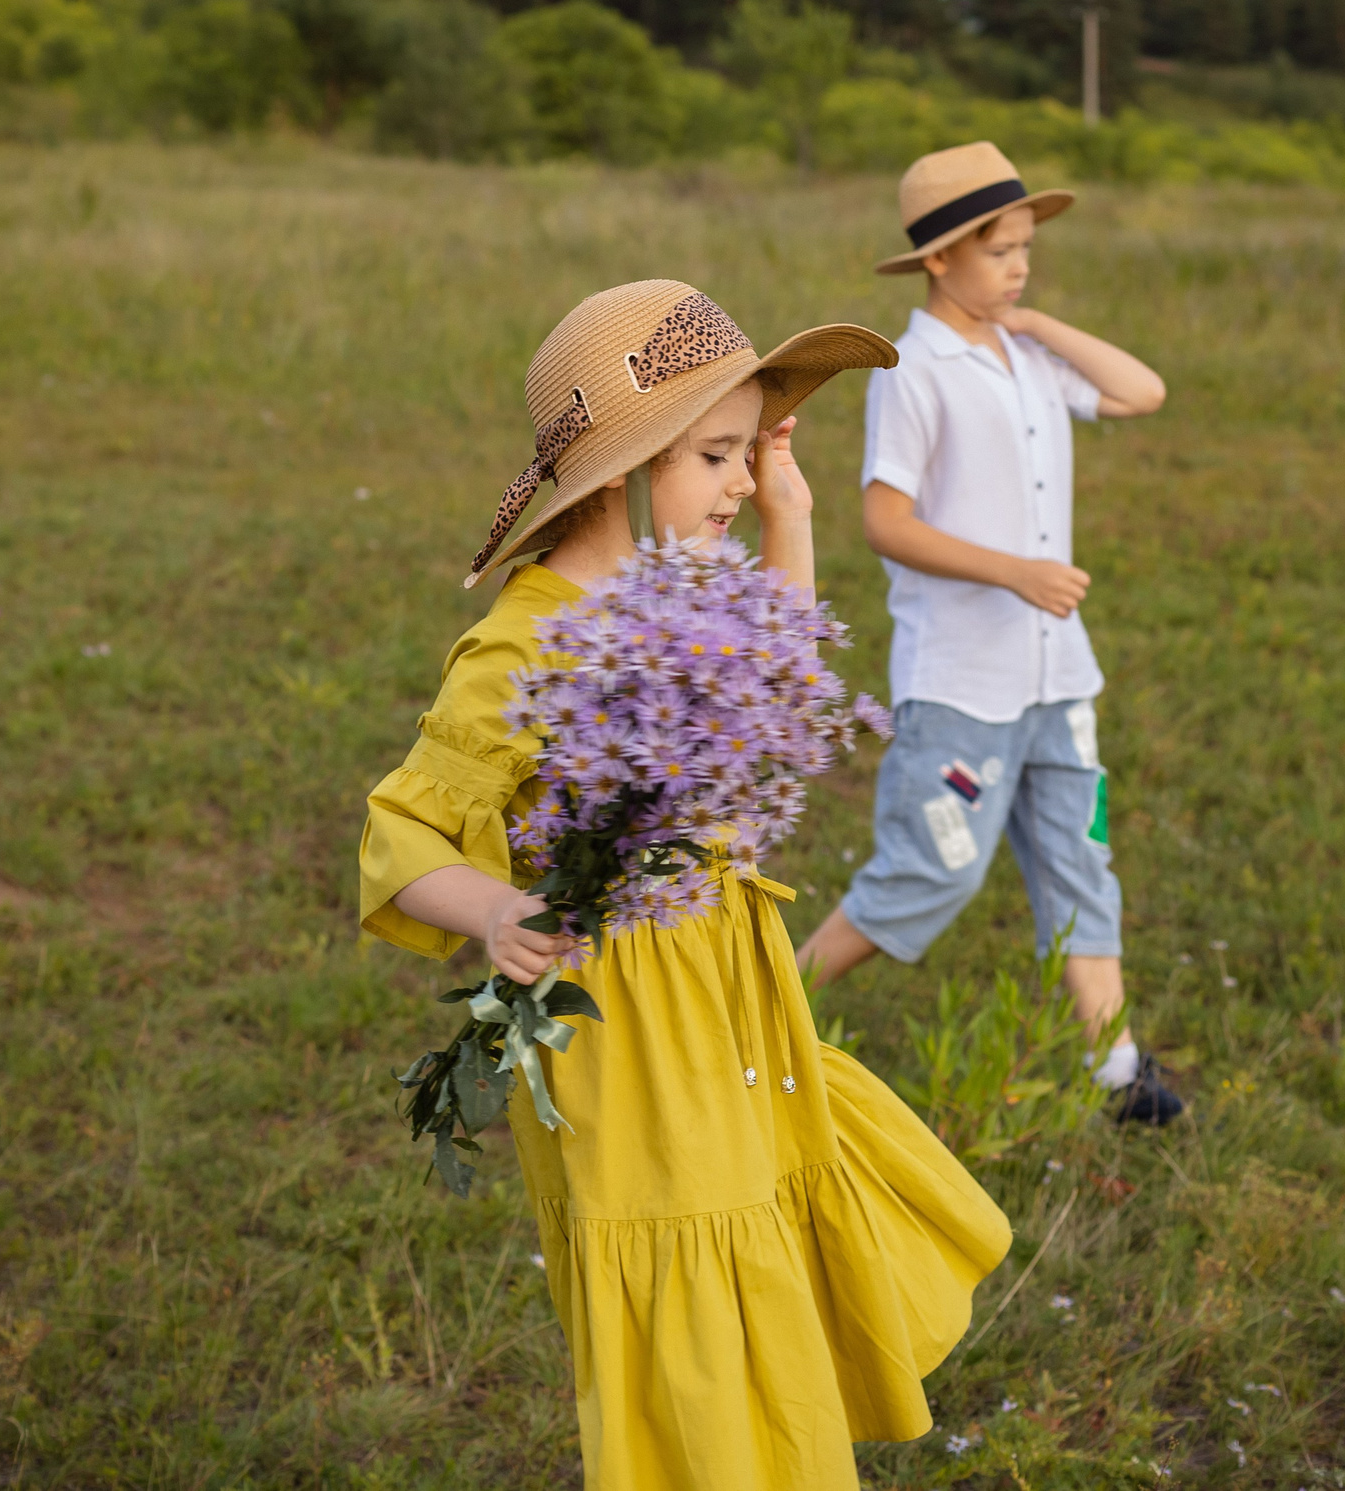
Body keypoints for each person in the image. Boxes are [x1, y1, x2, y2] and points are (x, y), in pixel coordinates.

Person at [358, 279, 1012, 1491]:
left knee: (765, 1235)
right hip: (630, 1028)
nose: (740, 481)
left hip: (729, 988)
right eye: (718, 455)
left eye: (748, 453)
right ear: (621, 469)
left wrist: (791, 522)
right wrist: (498, 908)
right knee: (696, 1289)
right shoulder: (530, 639)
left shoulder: (677, 588)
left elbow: (768, 696)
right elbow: (403, 830)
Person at [793, 142, 1184, 1126]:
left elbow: (1143, 393)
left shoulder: (1029, 354)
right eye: (998, 252)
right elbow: (886, 521)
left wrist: (1033, 322)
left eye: (1025, 249)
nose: (1018, 266)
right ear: (937, 260)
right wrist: (1013, 571)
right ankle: (763, 1008)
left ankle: (1117, 1070)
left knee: (1078, 861)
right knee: (932, 872)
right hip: (962, 684)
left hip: (1057, 677)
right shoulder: (913, 368)